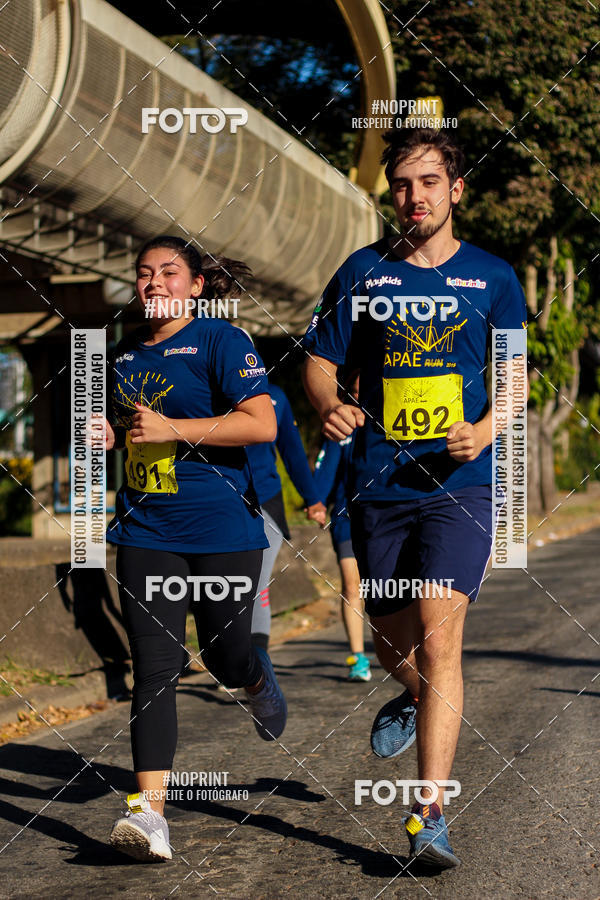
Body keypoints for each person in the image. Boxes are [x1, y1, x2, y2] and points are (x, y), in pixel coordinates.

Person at [302, 128, 527, 869]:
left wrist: (486, 430)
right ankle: (412, 692)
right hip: (379, 484)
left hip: (460, 486)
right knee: (395, 644)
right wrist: (330, 404)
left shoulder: (493, 277)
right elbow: (320, 361)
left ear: (455, 189)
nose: (414, 197)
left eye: (429, 182)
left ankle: (428, 813)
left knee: (439, 637)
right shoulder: (362, 272)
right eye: (401, 185)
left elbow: (516, 377)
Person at [100, 235, 287, 862]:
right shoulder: (121, 355)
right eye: (144, 273)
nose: (154, 282)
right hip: (146, 529)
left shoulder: (221, 341)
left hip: (223, 531)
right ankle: (149, 814)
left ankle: (255, 679)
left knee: (223, 655)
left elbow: (262, 423)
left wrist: (174, 429)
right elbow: (125, 428)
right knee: (154, 669)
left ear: (197, 286)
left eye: (169, 272)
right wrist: (108, 435)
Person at [245, 380, 326, 651]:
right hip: (218, 506)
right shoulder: (205, 394)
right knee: (224, 589)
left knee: (256, 584)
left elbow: (292, 451)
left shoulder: (274, 395)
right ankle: (231, 660)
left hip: (266, 501)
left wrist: (313, 499)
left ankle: (259, 662)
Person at [309, 373, 371, 681]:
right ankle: (358, 658)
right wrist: (317, 502)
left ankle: (402, 650)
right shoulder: (341, 429)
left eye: (366, 391)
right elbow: (326, 468)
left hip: (387, 518)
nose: (360, 398)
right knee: (352, 584)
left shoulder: (391, 424)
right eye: (354, 392)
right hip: (347, 518)